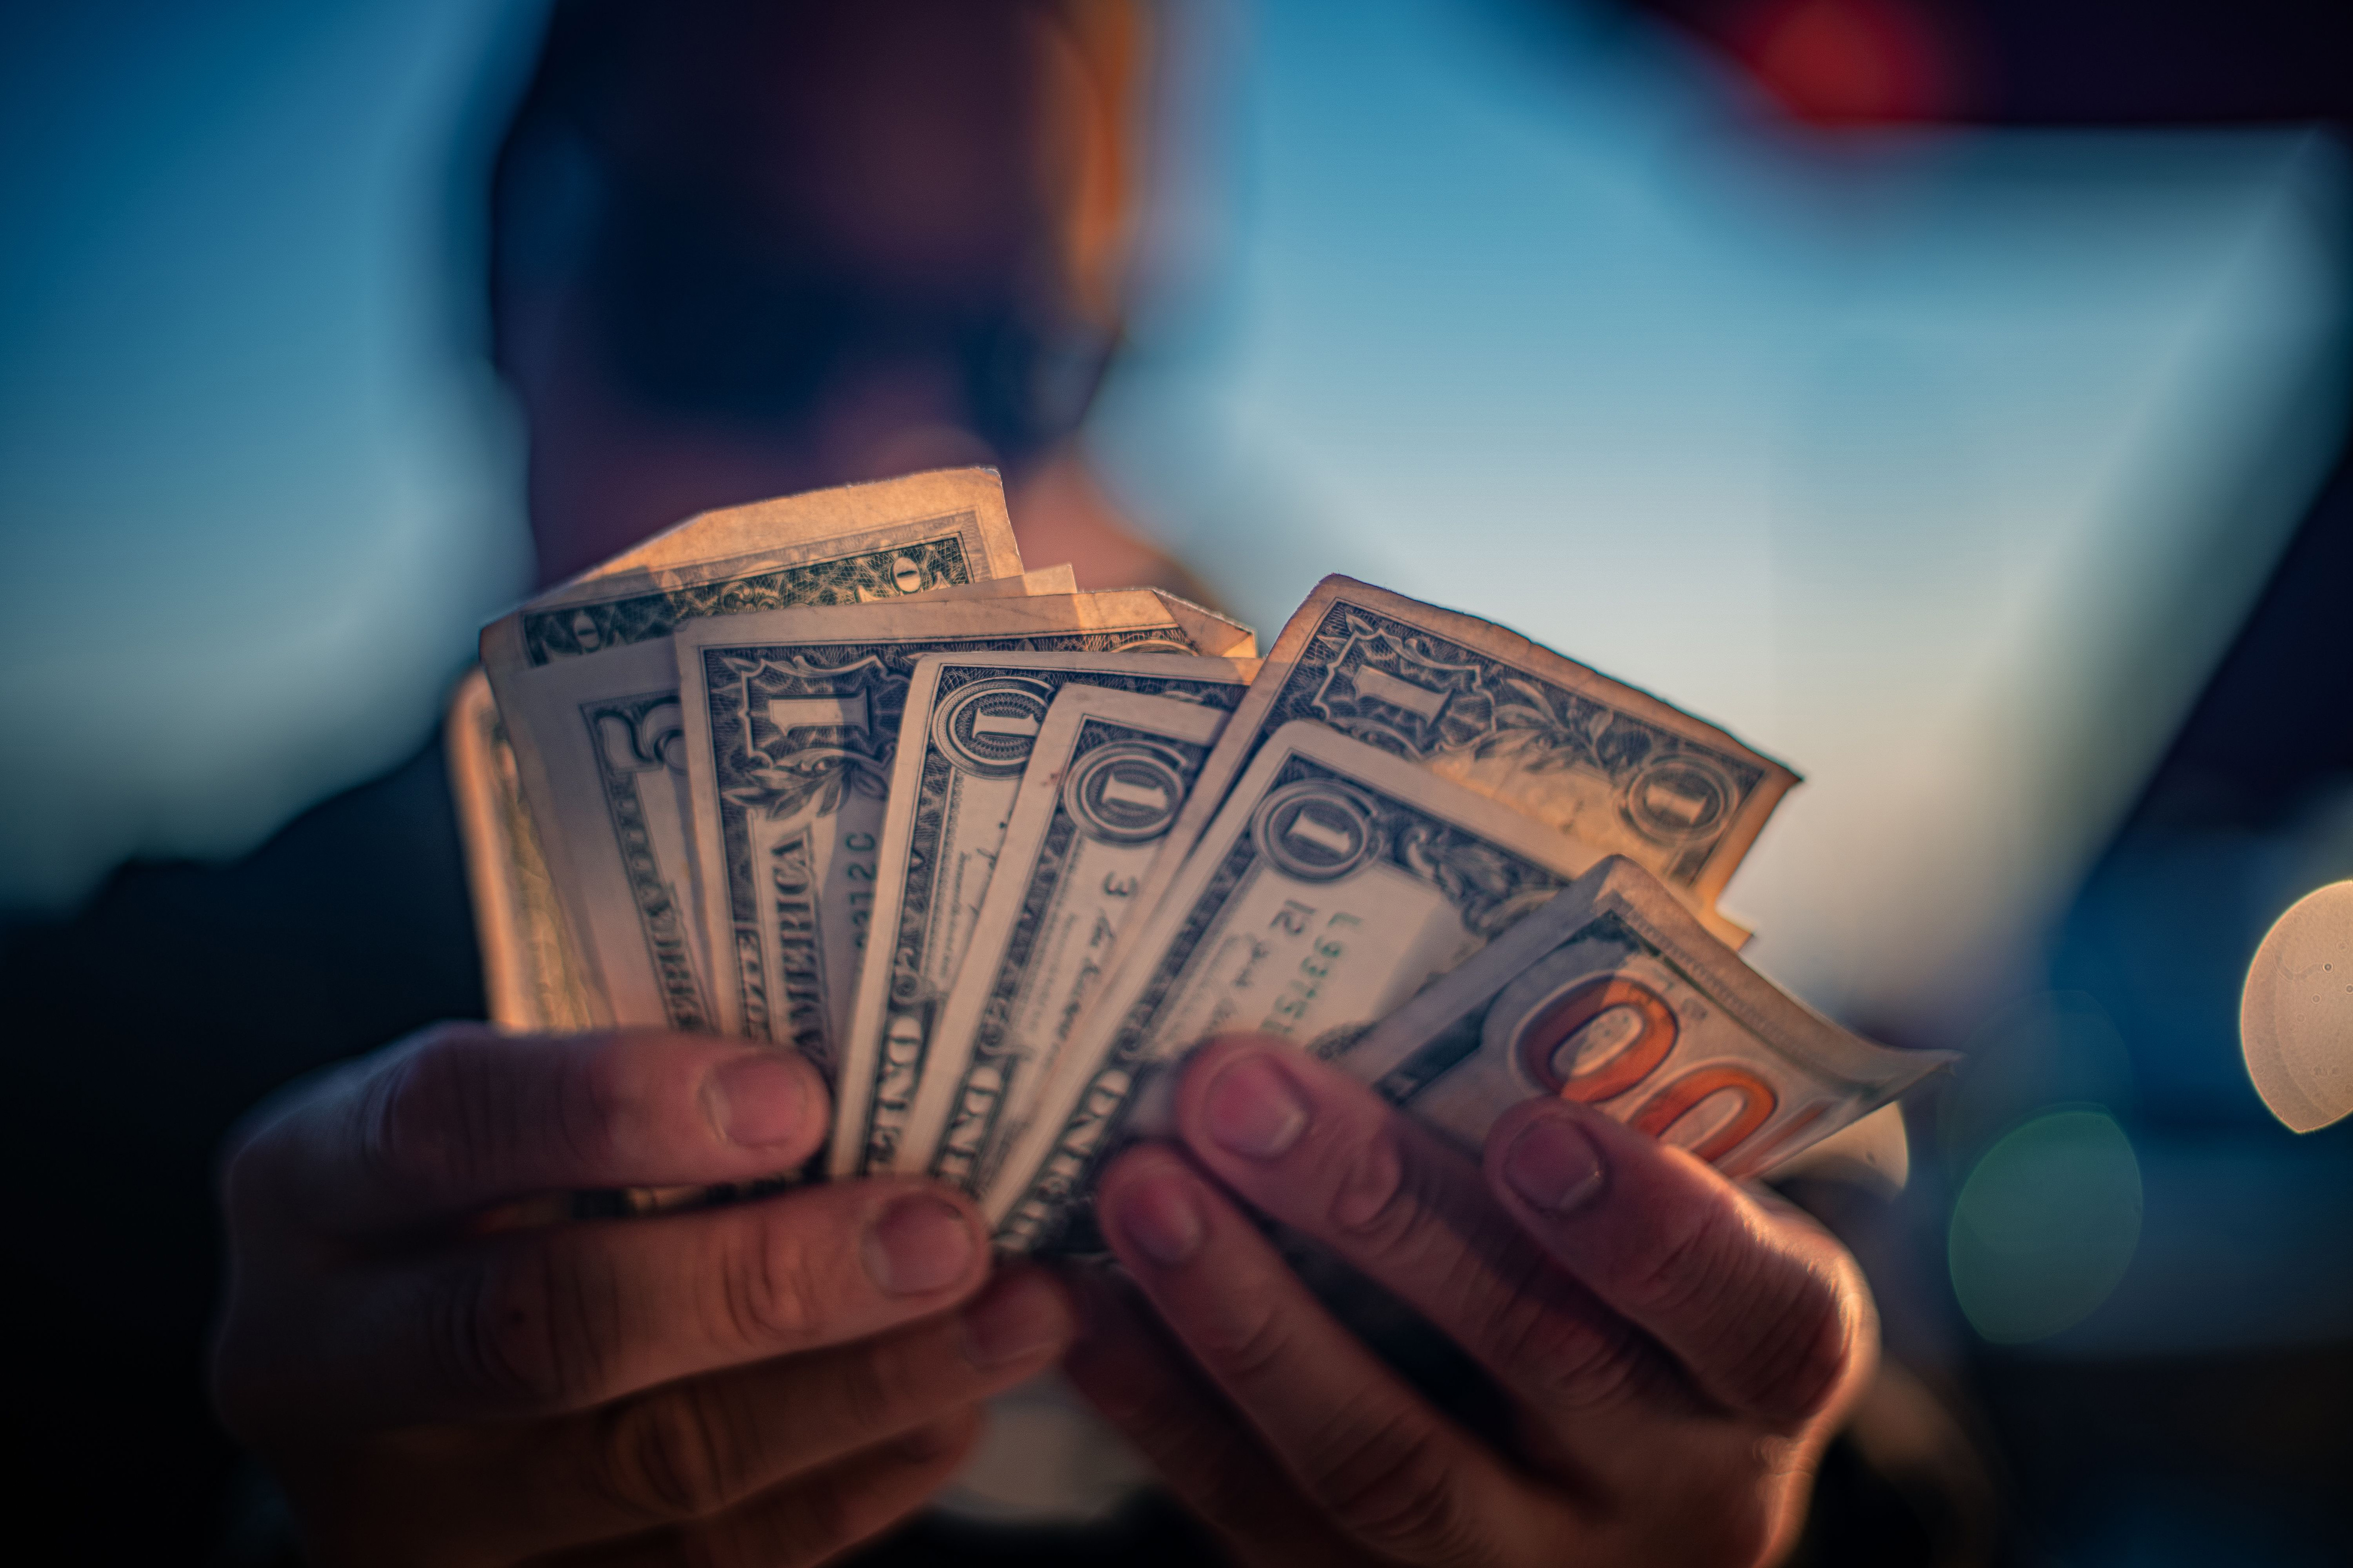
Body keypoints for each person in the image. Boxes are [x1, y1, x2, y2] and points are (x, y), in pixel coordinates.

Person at [6, 3, 1879, 1562]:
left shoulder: (1407, 994)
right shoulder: (114, 1051)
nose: (874, 459)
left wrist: (1760, 1509)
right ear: (505, 283)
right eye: (732, 308)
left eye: (1015, 362)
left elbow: (1877, 1469)